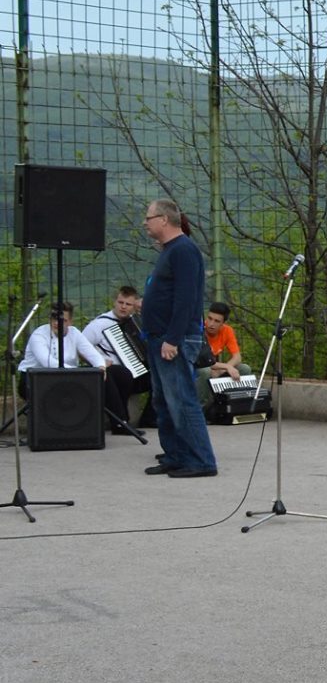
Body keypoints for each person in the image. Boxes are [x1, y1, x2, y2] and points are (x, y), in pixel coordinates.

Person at [139, 198, 218, 479]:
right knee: (163, 401)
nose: (145, 223)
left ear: (164, 219)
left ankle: (201, 460)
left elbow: (186, 298)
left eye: (148, 218)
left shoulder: (183, 250)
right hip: (160, 337)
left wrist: (172, 339)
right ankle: (176, 455)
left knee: (182, 400)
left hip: (174, 339)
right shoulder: (170, 250)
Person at [83, 287, 151, 427]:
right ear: (114, 302)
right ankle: (121, 421)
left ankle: (149, 419)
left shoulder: (136, 322)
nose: (123, 307)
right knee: (121, 373)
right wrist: (99, 361)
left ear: (134, 306)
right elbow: (81, 348)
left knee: (160, 378)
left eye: (128, 304)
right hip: (112, 373)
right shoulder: (99, 324)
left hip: (134, 372)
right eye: (120, 302)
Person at [23, 303, 107, 371]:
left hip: (67, 376)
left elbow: (91, 353)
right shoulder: (39, 334)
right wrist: (76, 372)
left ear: (70, 322)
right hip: (35, 378)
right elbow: (47, 362)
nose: (56, 323)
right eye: (54, 318)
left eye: (62, 320)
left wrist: (101, 365)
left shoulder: (74, 333)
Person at [201, 302, 246, 382]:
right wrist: (226, 367)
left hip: (215, 366)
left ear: (223, 323)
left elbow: (237, 357)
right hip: (200, 367)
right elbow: (202, 361)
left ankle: (235, 390)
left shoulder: (227, 330)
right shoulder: (199, 329)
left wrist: (223, 369)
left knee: (244, 368)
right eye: (210, 318)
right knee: (206, 371)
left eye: (217, 321)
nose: (211, 324)